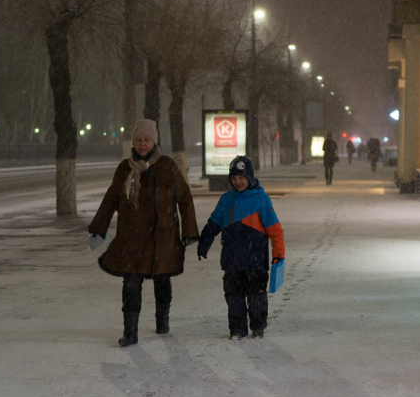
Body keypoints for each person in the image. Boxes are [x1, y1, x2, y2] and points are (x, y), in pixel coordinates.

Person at [88, 119, 199, 347]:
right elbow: (111, 198)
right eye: (138, 139)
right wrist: (99, 227)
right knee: (130, 285)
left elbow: (185, 198)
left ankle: (162, 318)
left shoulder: (167, 166)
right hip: (133, 239)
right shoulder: (124, 168)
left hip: (162, 237)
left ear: (154, 141)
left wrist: (189, 230)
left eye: (147, 139)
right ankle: (130, 332)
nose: (142, 144)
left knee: (162, 281)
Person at [197, 156, 285, 340]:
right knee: (233, 296)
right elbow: (214, 222)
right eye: (234, 178)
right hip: (232, 260)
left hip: (255, 260)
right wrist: (205, 240)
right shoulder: (226, 200)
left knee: (256, 296)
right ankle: (237, 329)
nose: (238, 182)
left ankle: (258, 326)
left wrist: (278, 255)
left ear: (250, 177)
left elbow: (275, 231)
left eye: (241, 177)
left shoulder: (261, 199)